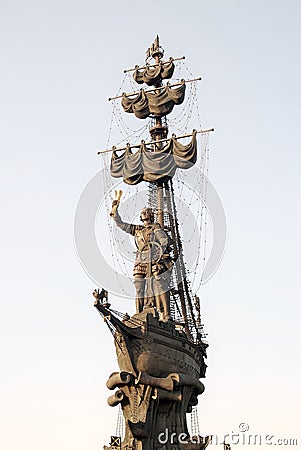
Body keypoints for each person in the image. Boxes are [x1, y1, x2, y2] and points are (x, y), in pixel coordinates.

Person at [111, 203, 173, 321]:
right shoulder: (137, 229)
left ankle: (166, 313)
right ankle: (139, 314)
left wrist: (162, 245)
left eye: (147, 211)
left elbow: (164, 240)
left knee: (159, 282)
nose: (144, 213)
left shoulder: (156, 228)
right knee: (139, 287)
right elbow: (121, 224)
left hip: (154, 259)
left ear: (151, 215)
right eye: (143, 212)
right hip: (140, 260)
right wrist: (115, 213)